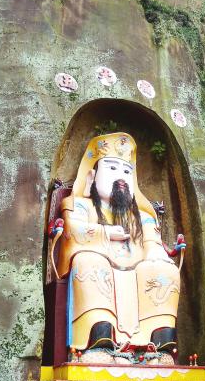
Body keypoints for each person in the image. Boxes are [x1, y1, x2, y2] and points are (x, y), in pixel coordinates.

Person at [56, 132, 185, 354]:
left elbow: (152, 242)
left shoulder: (141, 215)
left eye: (127, 171)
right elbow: (72, 230)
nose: (121, 177)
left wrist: (156, 255)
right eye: (112, 168)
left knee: (165, 269)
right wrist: (105, 233)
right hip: (100, 261)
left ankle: (159, 340)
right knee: (89, 261)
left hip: (136, 267)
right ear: (92, 176)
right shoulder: (78, 204)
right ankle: (99, 337)